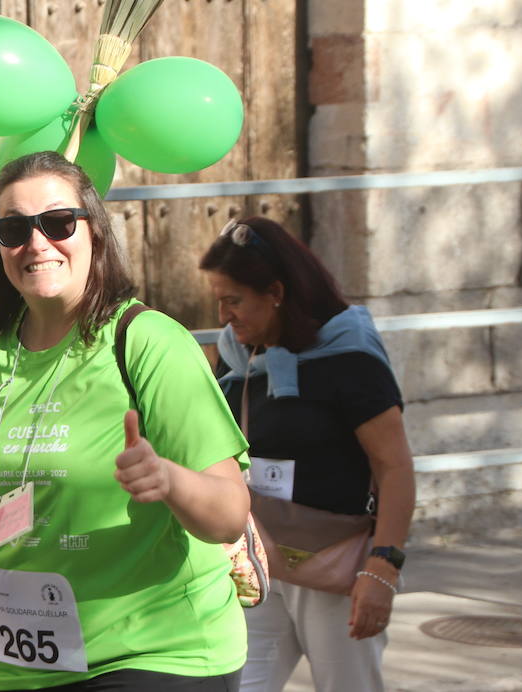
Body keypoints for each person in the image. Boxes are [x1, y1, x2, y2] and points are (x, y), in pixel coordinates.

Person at [0, 151, 251, 691]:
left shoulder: (148, 342)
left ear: (95, 233)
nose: (37, 243)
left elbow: (229, 514)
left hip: (151, 655)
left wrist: (169, 479)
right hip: (16, 665)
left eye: (58, 223)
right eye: (14, 229)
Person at [199, 217, 416, 692]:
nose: (223, 316)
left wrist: (382, 567)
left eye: (233, 300)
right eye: (218, 300)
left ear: (275, 291)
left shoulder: (349, 359)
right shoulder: (237, 359)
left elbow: (394, 467)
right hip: (257, 561)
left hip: (339, 569)